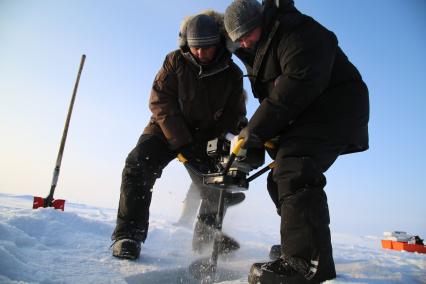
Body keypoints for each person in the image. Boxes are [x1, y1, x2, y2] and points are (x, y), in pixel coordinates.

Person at [224, 0, 369, 283]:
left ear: (262, 21)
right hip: (308, 114)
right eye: (238, 39)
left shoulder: (298, 32)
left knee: (294, 167)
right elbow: (277, 102)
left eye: (247, 33)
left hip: (335, 108)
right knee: (278, 177)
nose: (244, 42)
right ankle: (297, 248)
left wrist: (253, 133)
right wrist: (254, 141)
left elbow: (296, 88)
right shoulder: (260, 49)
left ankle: (306, 265)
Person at [111, 12, 247, 260]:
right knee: (137, 165)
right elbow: (160, 101)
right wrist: (183, 141)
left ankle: (204, 242)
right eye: (195, 48)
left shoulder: (233, 74)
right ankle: (128, 236)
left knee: (215, 186)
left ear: (219, 43)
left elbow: (234, 114)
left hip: (205, 139)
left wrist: (232, 137)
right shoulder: (174, 61)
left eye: (206, 48)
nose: (200, 54)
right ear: (187, 43)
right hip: (165, 129)